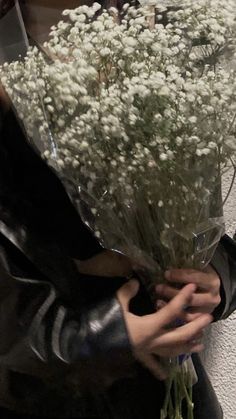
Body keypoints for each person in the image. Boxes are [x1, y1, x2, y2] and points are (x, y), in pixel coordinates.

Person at [0, 1, 235, 418]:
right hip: (56, 395)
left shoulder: (164, 29)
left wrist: (213, 277)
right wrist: (97, 339)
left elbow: (195, 219)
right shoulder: (6, 50)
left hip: (171, 388)